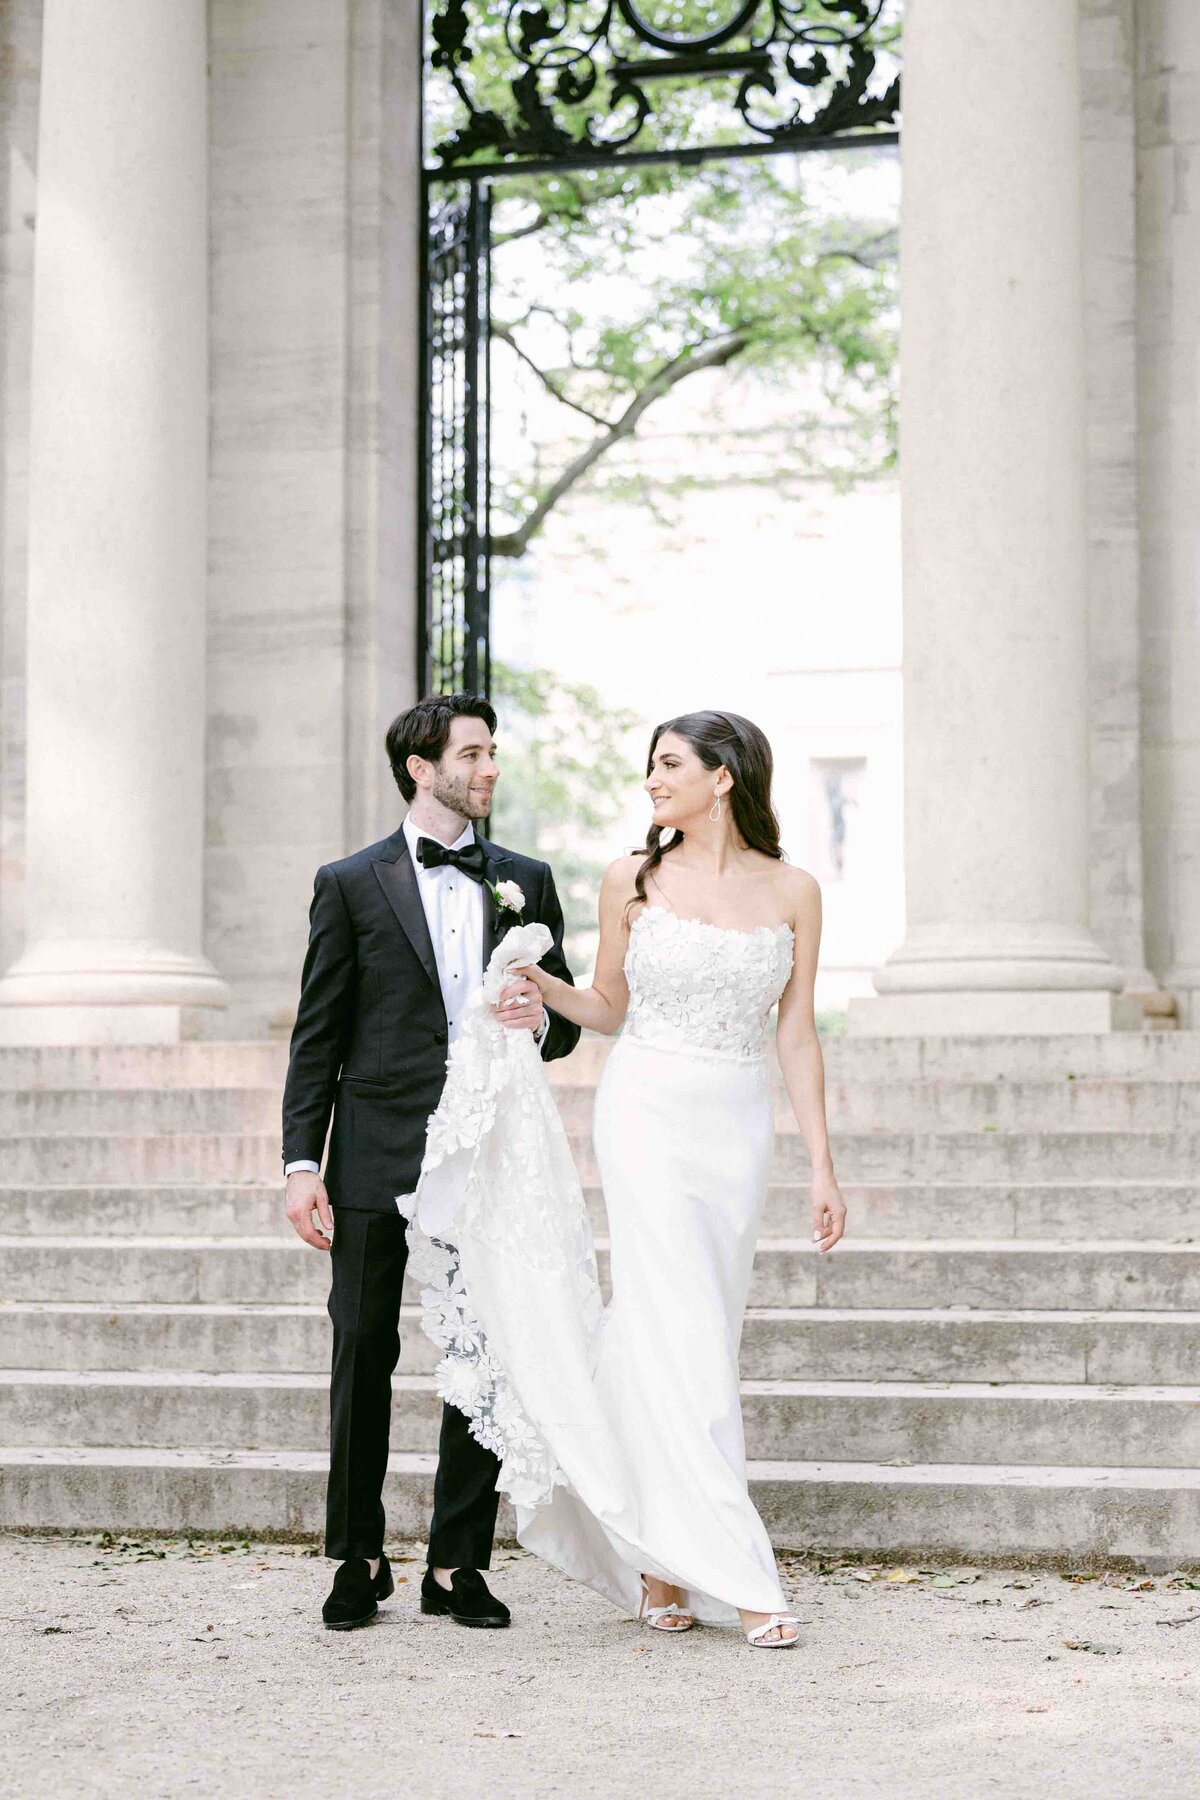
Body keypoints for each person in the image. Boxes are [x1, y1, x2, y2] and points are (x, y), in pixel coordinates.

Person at [402, 708, 846, 1649]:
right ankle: (737, 1573)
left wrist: (822, 1166)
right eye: (651, 767)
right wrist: (535, 986)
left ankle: (659, 1563)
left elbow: (796, 1033)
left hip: (736, 1122)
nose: (652, 781)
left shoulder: (797, 890)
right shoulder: (629, 880)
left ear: (722, 777)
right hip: (644, 1111)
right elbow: (606, 1006)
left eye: (669, 765)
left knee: (694, 1333)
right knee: (672, 1317)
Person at [280, 692, 579, 1631]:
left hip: (488, 1149)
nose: (490, 769)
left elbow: (561, 1030)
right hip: (374, 1147)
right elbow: (316, 1033)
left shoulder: (527, 877)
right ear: (422, 767)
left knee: (484, 1351)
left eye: (494, 754)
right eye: (474, 754)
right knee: (363, 1348)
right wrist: (301, 1161)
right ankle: (358, 1557)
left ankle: (458, 1563)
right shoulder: (349, 882)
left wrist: (543, 1020)